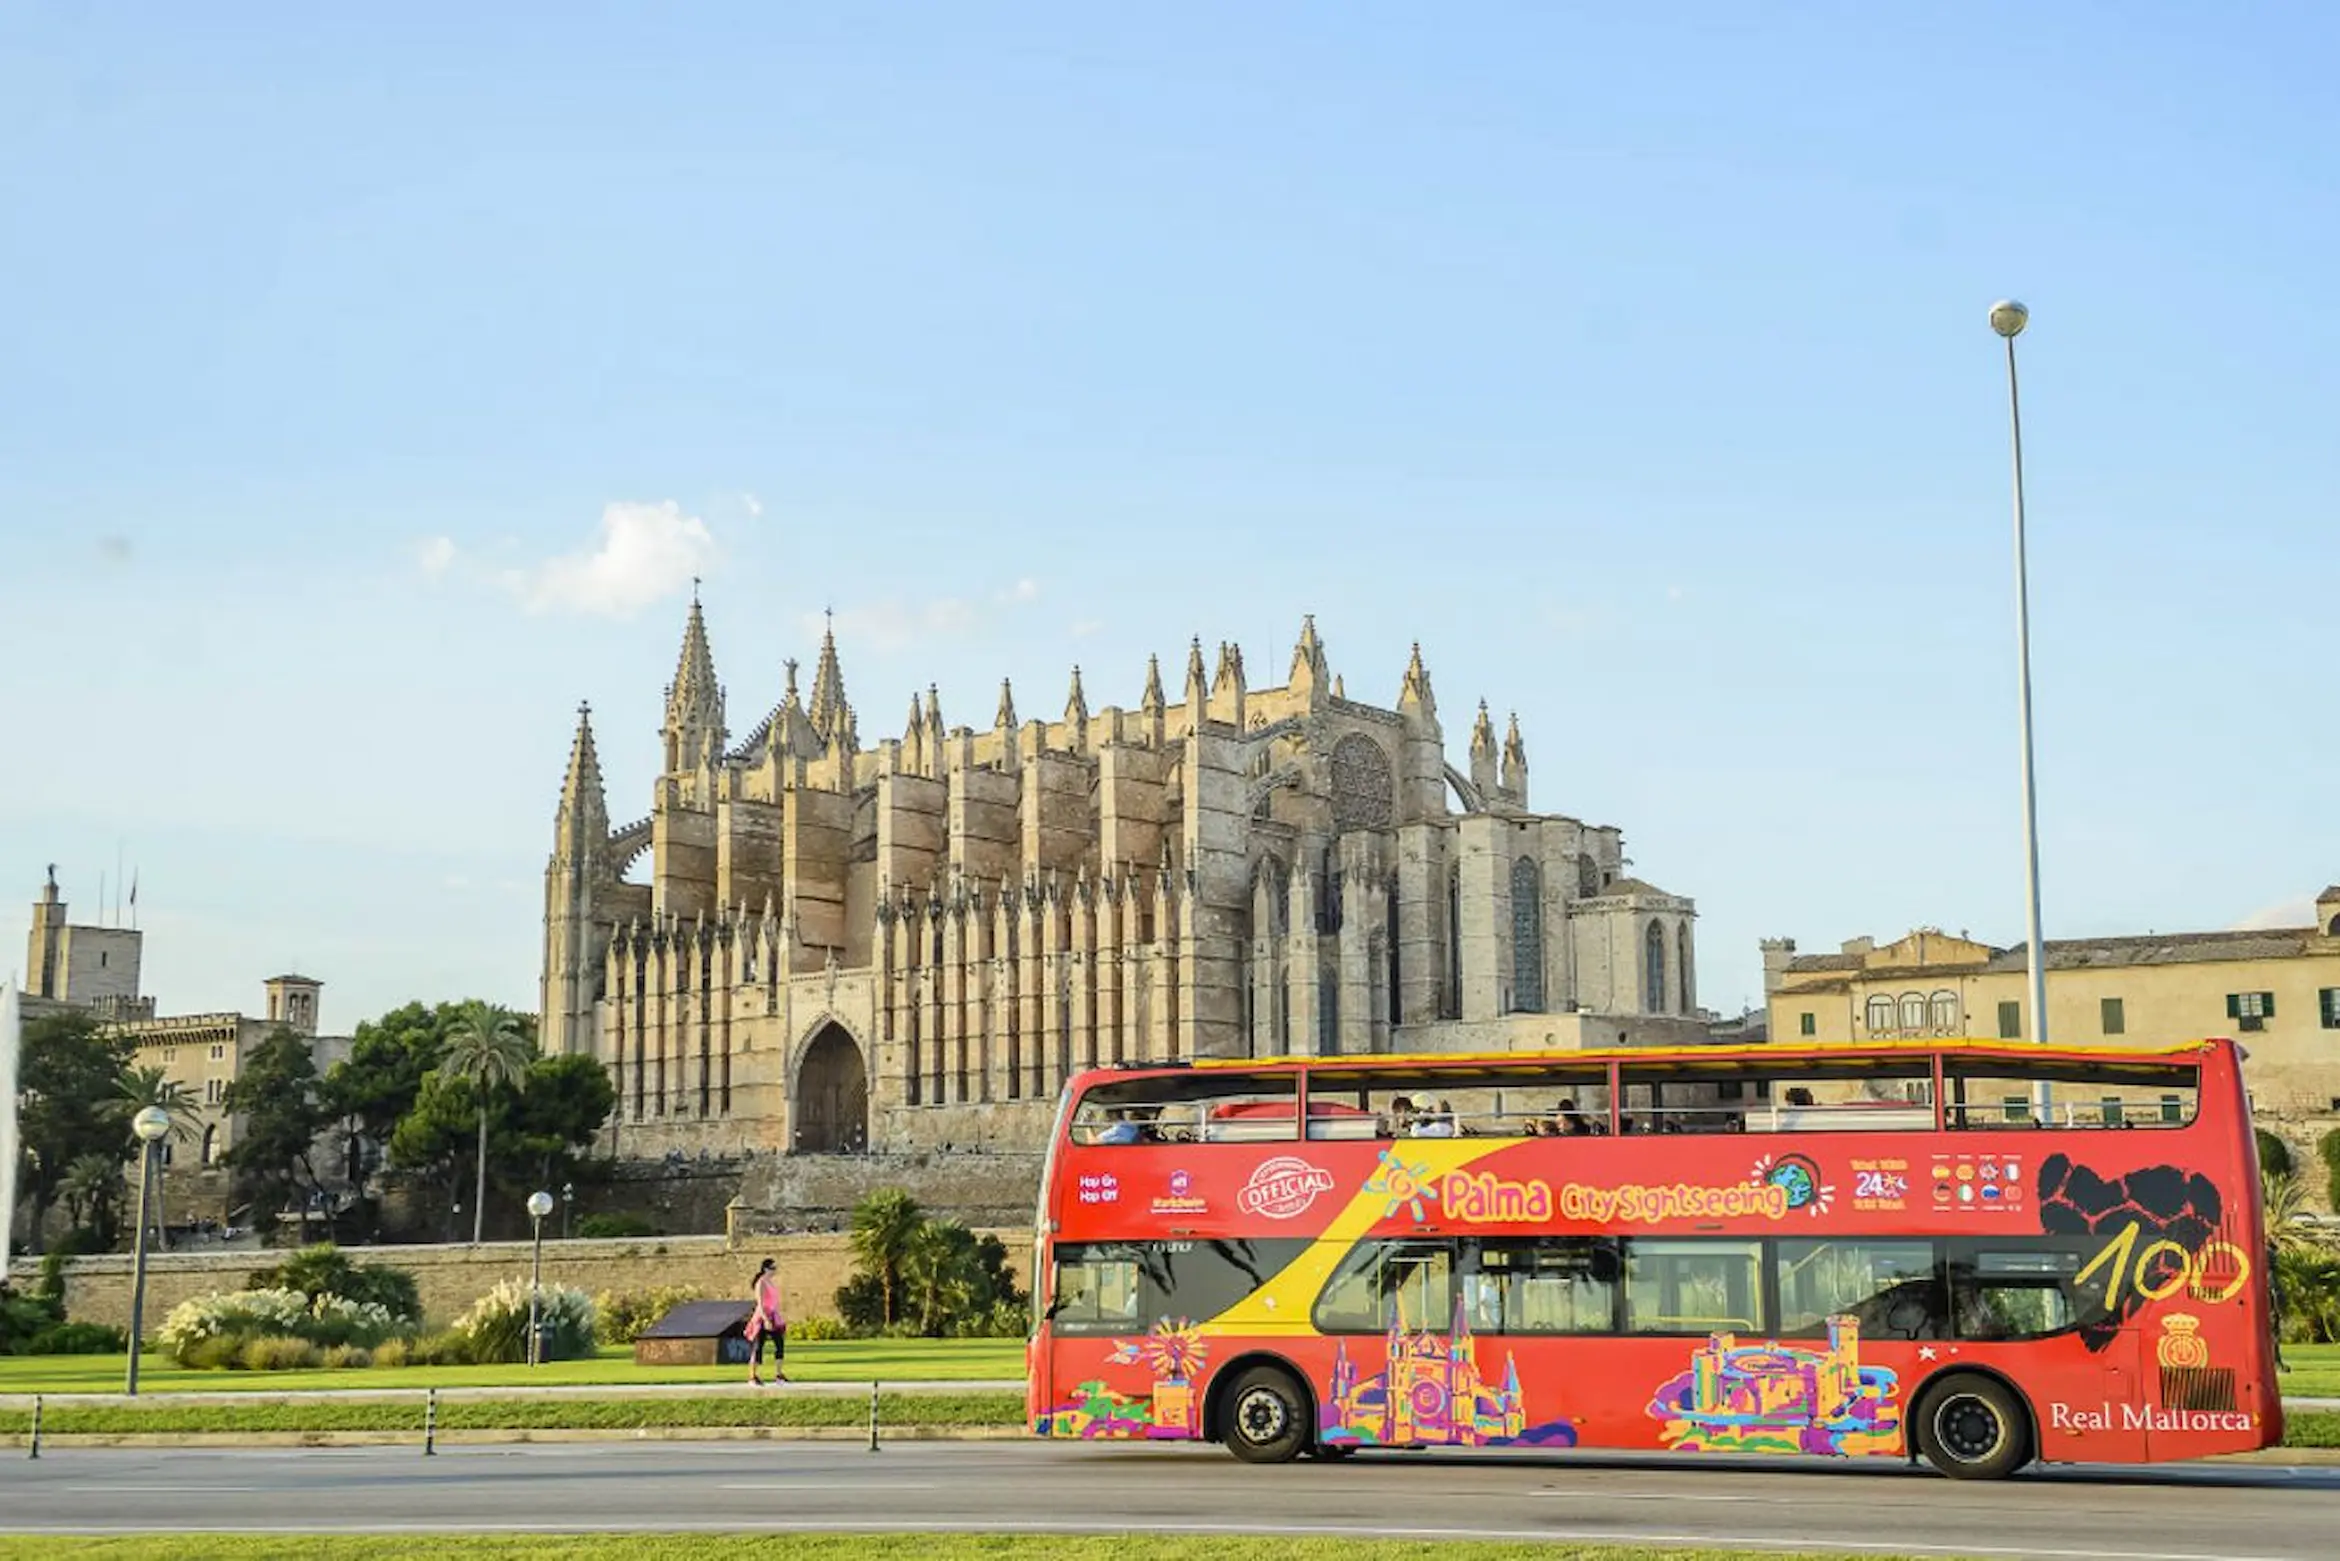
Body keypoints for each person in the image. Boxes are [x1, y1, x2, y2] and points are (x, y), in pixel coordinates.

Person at [746, 1257, 788, 1385]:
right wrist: (765, 1319)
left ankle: (779, 1375)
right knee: (759, 1346)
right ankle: (753, 1376)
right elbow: (761, 1303)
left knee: (779, 1344)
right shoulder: (761, 1283)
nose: (774, 1271)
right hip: (762, 1317)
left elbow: (772, 1303)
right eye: (772, 1268)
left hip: (773, 1315)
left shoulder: (770, 1283)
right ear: (765, 1269)